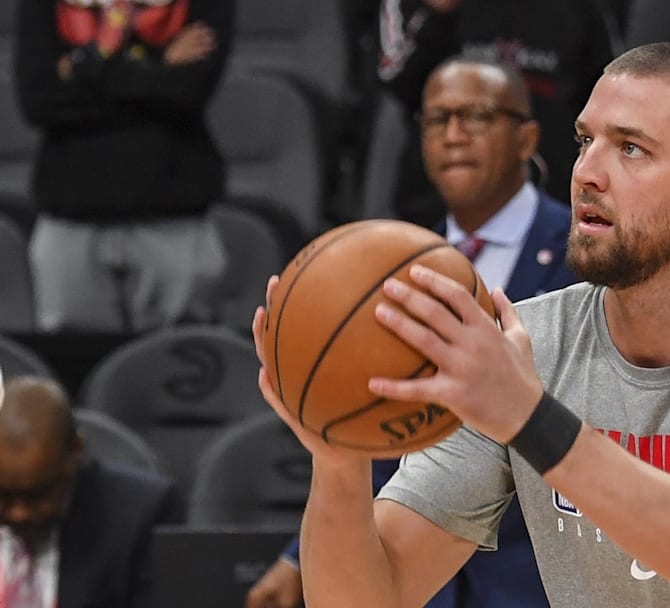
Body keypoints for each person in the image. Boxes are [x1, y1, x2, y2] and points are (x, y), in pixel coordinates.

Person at [254, 42, 670, 607]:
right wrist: (337, 459)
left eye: (632, 148)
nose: (587, 171)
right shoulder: (523, 350)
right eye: (587, 141)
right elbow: (373, 599)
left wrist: (531, 419)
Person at [245, 57, 578, 608]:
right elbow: (374, 425)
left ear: (527, 138)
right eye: (438, 119)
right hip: (418, 570)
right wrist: (298, 557)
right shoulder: (382, 268)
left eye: (477, 116)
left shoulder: (585, 253)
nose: (454, 135)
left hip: (537, 573)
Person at [13, 0, 234, 332]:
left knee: (178, 361)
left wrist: (83, 67)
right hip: (70, 220)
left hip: (174, 217)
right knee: (71, 369)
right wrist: (161, 67)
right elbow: (39, 100)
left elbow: (187, 92)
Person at [376, 0, 618, 227]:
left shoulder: (581, 9)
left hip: (552, 206)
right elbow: (397, 83)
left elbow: (608, 103)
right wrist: (437, 14)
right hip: (436, 211)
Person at [0, 376, 185, 607]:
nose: (19, 513)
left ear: (75, 452)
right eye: (3, 496)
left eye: (38, 495)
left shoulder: (140, 515)